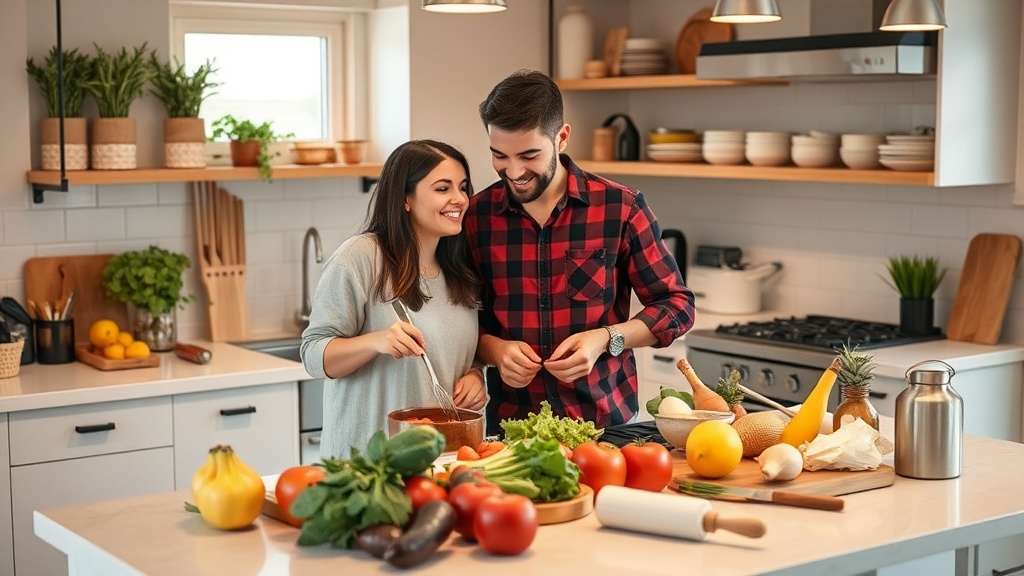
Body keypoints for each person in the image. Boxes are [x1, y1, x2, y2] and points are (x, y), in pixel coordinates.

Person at [465, 70, 695, 435]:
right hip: (511, 426)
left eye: (529, 155)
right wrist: (494, 351)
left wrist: (606, 339)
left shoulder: (621, 207)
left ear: (562, 138)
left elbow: (678, 307)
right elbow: (459, 321)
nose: (514, 171)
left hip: (606, 423)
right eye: (499, 156)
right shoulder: (476, 217)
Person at [301, 139, 487, 459]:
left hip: (440, 462)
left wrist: (475, 375)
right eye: (443, 188)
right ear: (406, 198)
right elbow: (313, 354)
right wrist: (377, 341)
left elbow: (460, 353)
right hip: (367, 466)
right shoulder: (362, 257)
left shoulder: (461, 271)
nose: (459, 199)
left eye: (463, 187)